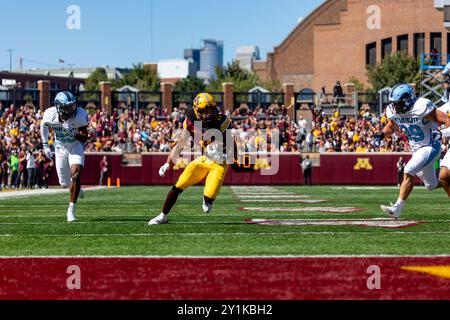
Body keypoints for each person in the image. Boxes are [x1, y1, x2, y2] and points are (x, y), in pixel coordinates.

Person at [149, 93, 234, 225]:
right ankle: (163, 216)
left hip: (219, 163)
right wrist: (168, 163)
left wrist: (226, 155)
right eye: (204, 111)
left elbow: (232, 145)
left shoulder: (222, 121)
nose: (208, 114)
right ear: (196, 110)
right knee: (178, 185)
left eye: (209, 110)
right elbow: (180, 144)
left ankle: (208, 199)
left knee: (208, 199)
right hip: (205, 159)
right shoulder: (190, 121)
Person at [374, 84, 450, 218]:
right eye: (393, 103)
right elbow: (391, 127)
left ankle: (397, 208)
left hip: (430, 146)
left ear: (407, 100)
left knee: (408, 170)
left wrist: (442, 133)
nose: (394, 107)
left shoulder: (421, 107)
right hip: (417, 149)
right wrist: (380, 135)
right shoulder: (393, 111)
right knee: (431, 185)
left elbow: (446, 119)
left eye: (397, 104)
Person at [40, 91, 89, 222]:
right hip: (60, 148)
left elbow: (85, 138)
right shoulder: (50, 114)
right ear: (60, 107)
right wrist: (45, 145)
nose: (72, 109)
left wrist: (73, 133)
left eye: (73, 106)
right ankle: (77, 189)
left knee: (76, 174)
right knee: (64, 183)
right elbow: (43, 126)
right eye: (68, 107)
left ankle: (71, 211)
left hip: (75, 146)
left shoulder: (80, 115)